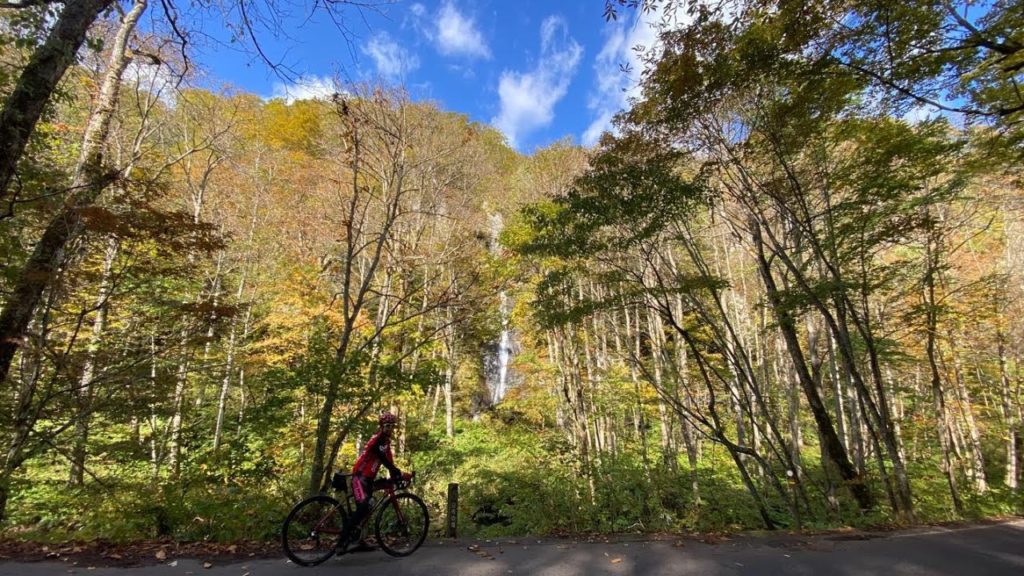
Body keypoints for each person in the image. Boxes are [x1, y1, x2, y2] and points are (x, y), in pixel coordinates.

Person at [342, 411, 411, 550]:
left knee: (368, 508)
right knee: (363, 507)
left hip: (368, 479)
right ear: (381, 426)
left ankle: (360, 541)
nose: (390, 428)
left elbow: (390, 461)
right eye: (387, 425)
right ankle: (342, 541)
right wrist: (394, 470)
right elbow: (382, 457)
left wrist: (398, 474)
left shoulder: (385, 442)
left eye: (392, 426)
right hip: (360, 477)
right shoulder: (377, 440)